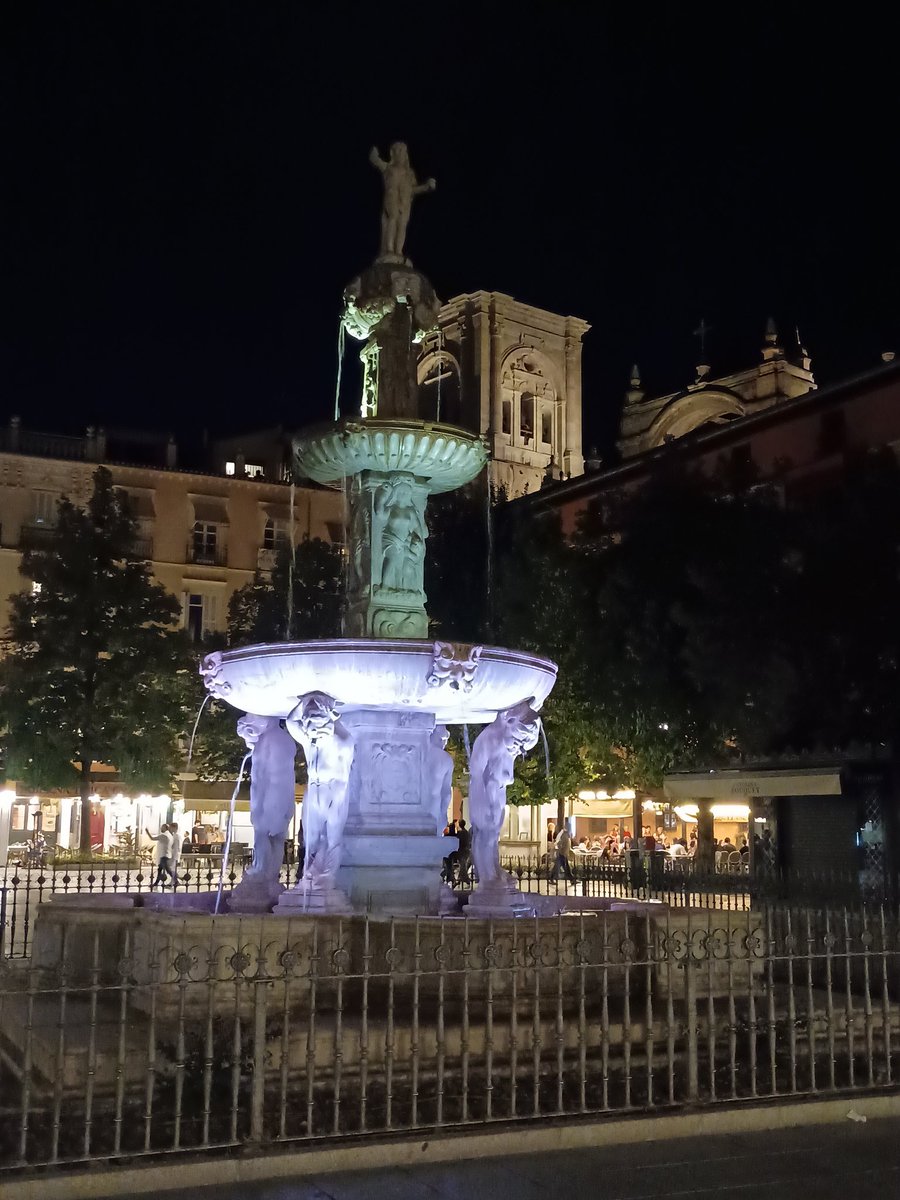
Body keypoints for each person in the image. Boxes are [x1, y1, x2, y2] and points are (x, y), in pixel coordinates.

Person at [145, 823, 173, 888]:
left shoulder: (163, 835)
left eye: (162, 827)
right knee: (160, 869)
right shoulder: (169, 835)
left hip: (164, 855)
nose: (161, 828)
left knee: (167, 870)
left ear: (165, 828)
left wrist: (147, 831)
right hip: (167, 854)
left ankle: (176, 880)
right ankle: (156, 883)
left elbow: (152, 838)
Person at [456, 818, 471, 883]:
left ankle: (465, 879)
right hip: (466, 850)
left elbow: (459, 842)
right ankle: (461, 878)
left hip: (462, 850)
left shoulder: (461, 833)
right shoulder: (466, 832)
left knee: (462, 865)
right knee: (463, 865)